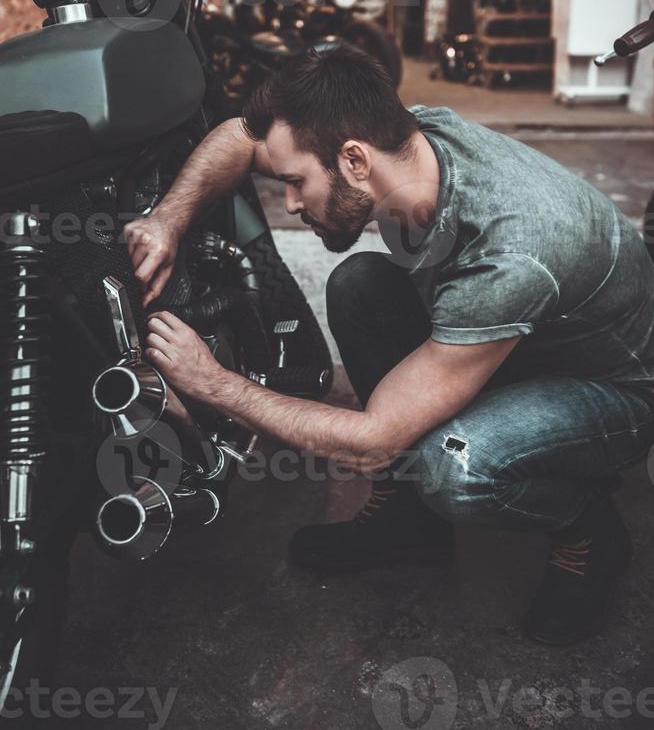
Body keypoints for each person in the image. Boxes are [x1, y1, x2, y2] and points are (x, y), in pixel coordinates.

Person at [124, 44, 654, 646]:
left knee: (455, 464)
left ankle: (588, 529)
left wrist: (214, 383)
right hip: (511, 338)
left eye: (296, 183)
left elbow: (375, 440)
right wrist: (167, 220)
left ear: (353, 160)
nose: (291, 204)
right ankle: (411, 519)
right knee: (358, 284)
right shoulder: (402, 140)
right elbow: (245, 137)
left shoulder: (512, 251)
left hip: (607, 392)